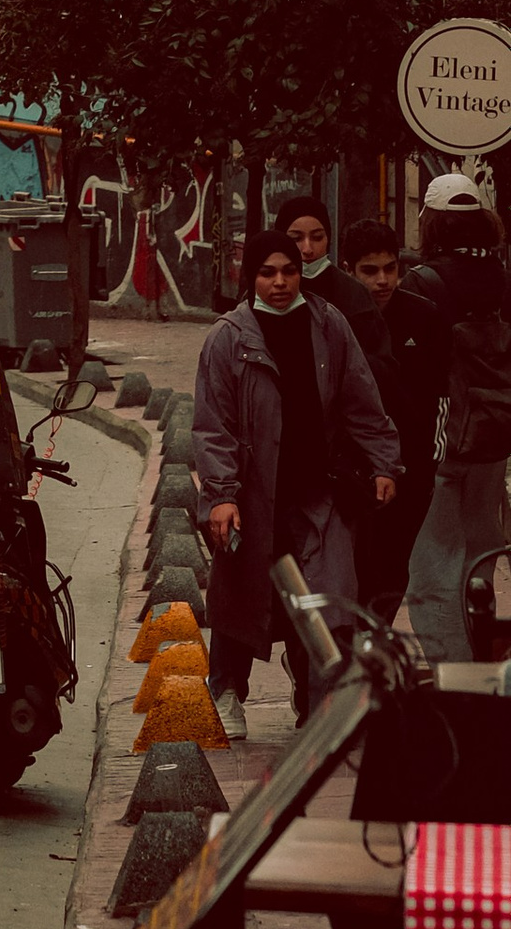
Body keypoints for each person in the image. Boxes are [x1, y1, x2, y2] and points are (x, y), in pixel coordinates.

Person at [194, 221, 400, 739]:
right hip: (252, 496)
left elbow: (361, 400)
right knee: (242, 602)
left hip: (318, 494)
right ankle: (225, 690)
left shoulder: (328, 325)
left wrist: (383, 463)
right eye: (268, 273)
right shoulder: (228, 338)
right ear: (251, 277)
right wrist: (220, 496)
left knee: (329, 603)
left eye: (289, 271)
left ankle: (321, 713)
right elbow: (212, 425)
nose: (280, 282)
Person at [396, 174, 511, 667]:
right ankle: (486, 661)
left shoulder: (423, 282)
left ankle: (456, 676)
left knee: (432, 567)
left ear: (431, 221)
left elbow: (407, 368)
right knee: (481, 554)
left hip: (441, 442)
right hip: (493, 437)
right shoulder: (502, 278)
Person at [342, 216, 432, 622]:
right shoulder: (337, 320)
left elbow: (439, 394)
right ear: (349, 270)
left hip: (411, 469)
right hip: (354, 470)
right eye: (370, 271)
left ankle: (372, 649)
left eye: (390, 268)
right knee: (353, 570)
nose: (382, 280)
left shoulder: (423, 316)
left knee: (394, 572)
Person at [273, 196, 383, 340]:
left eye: (317, 237)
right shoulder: (263, 291)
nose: (307, 249)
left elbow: (379, 356)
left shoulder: (353, 294)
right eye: (296, 239)